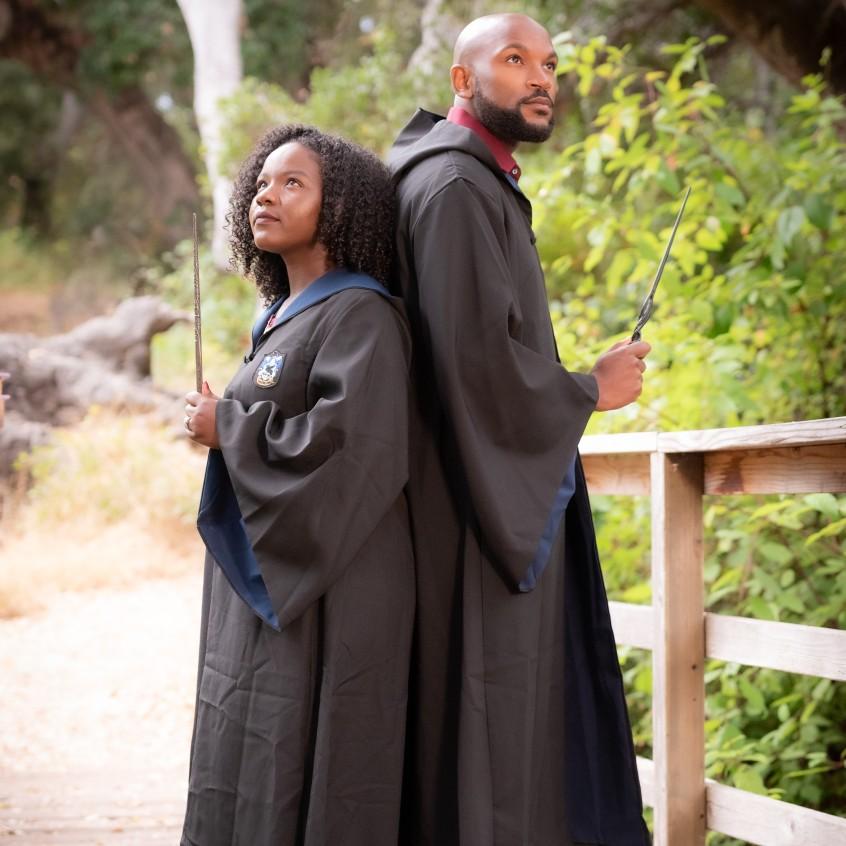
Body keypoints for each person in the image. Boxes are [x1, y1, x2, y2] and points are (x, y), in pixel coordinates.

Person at [389, 13, 652, 846]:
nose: (541, 78)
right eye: (514, 60)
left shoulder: (455, 179)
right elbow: (472, 364)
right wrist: (589, 387)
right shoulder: (457, 189)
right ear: (462, 82)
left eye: (548, 63)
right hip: (469, 512)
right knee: (493, 730)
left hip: (456, 498)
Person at [180, 125, 415, 846]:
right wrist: (229, 424)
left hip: (332, 581)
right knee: (251, 745)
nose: (266, 195)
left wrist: (232, 431)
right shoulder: (280, 319)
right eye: (261, 183)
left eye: (292, 184)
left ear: (337, 206)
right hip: (273, 574)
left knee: (315, 759)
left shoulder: (363, 314)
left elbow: (355, 447)